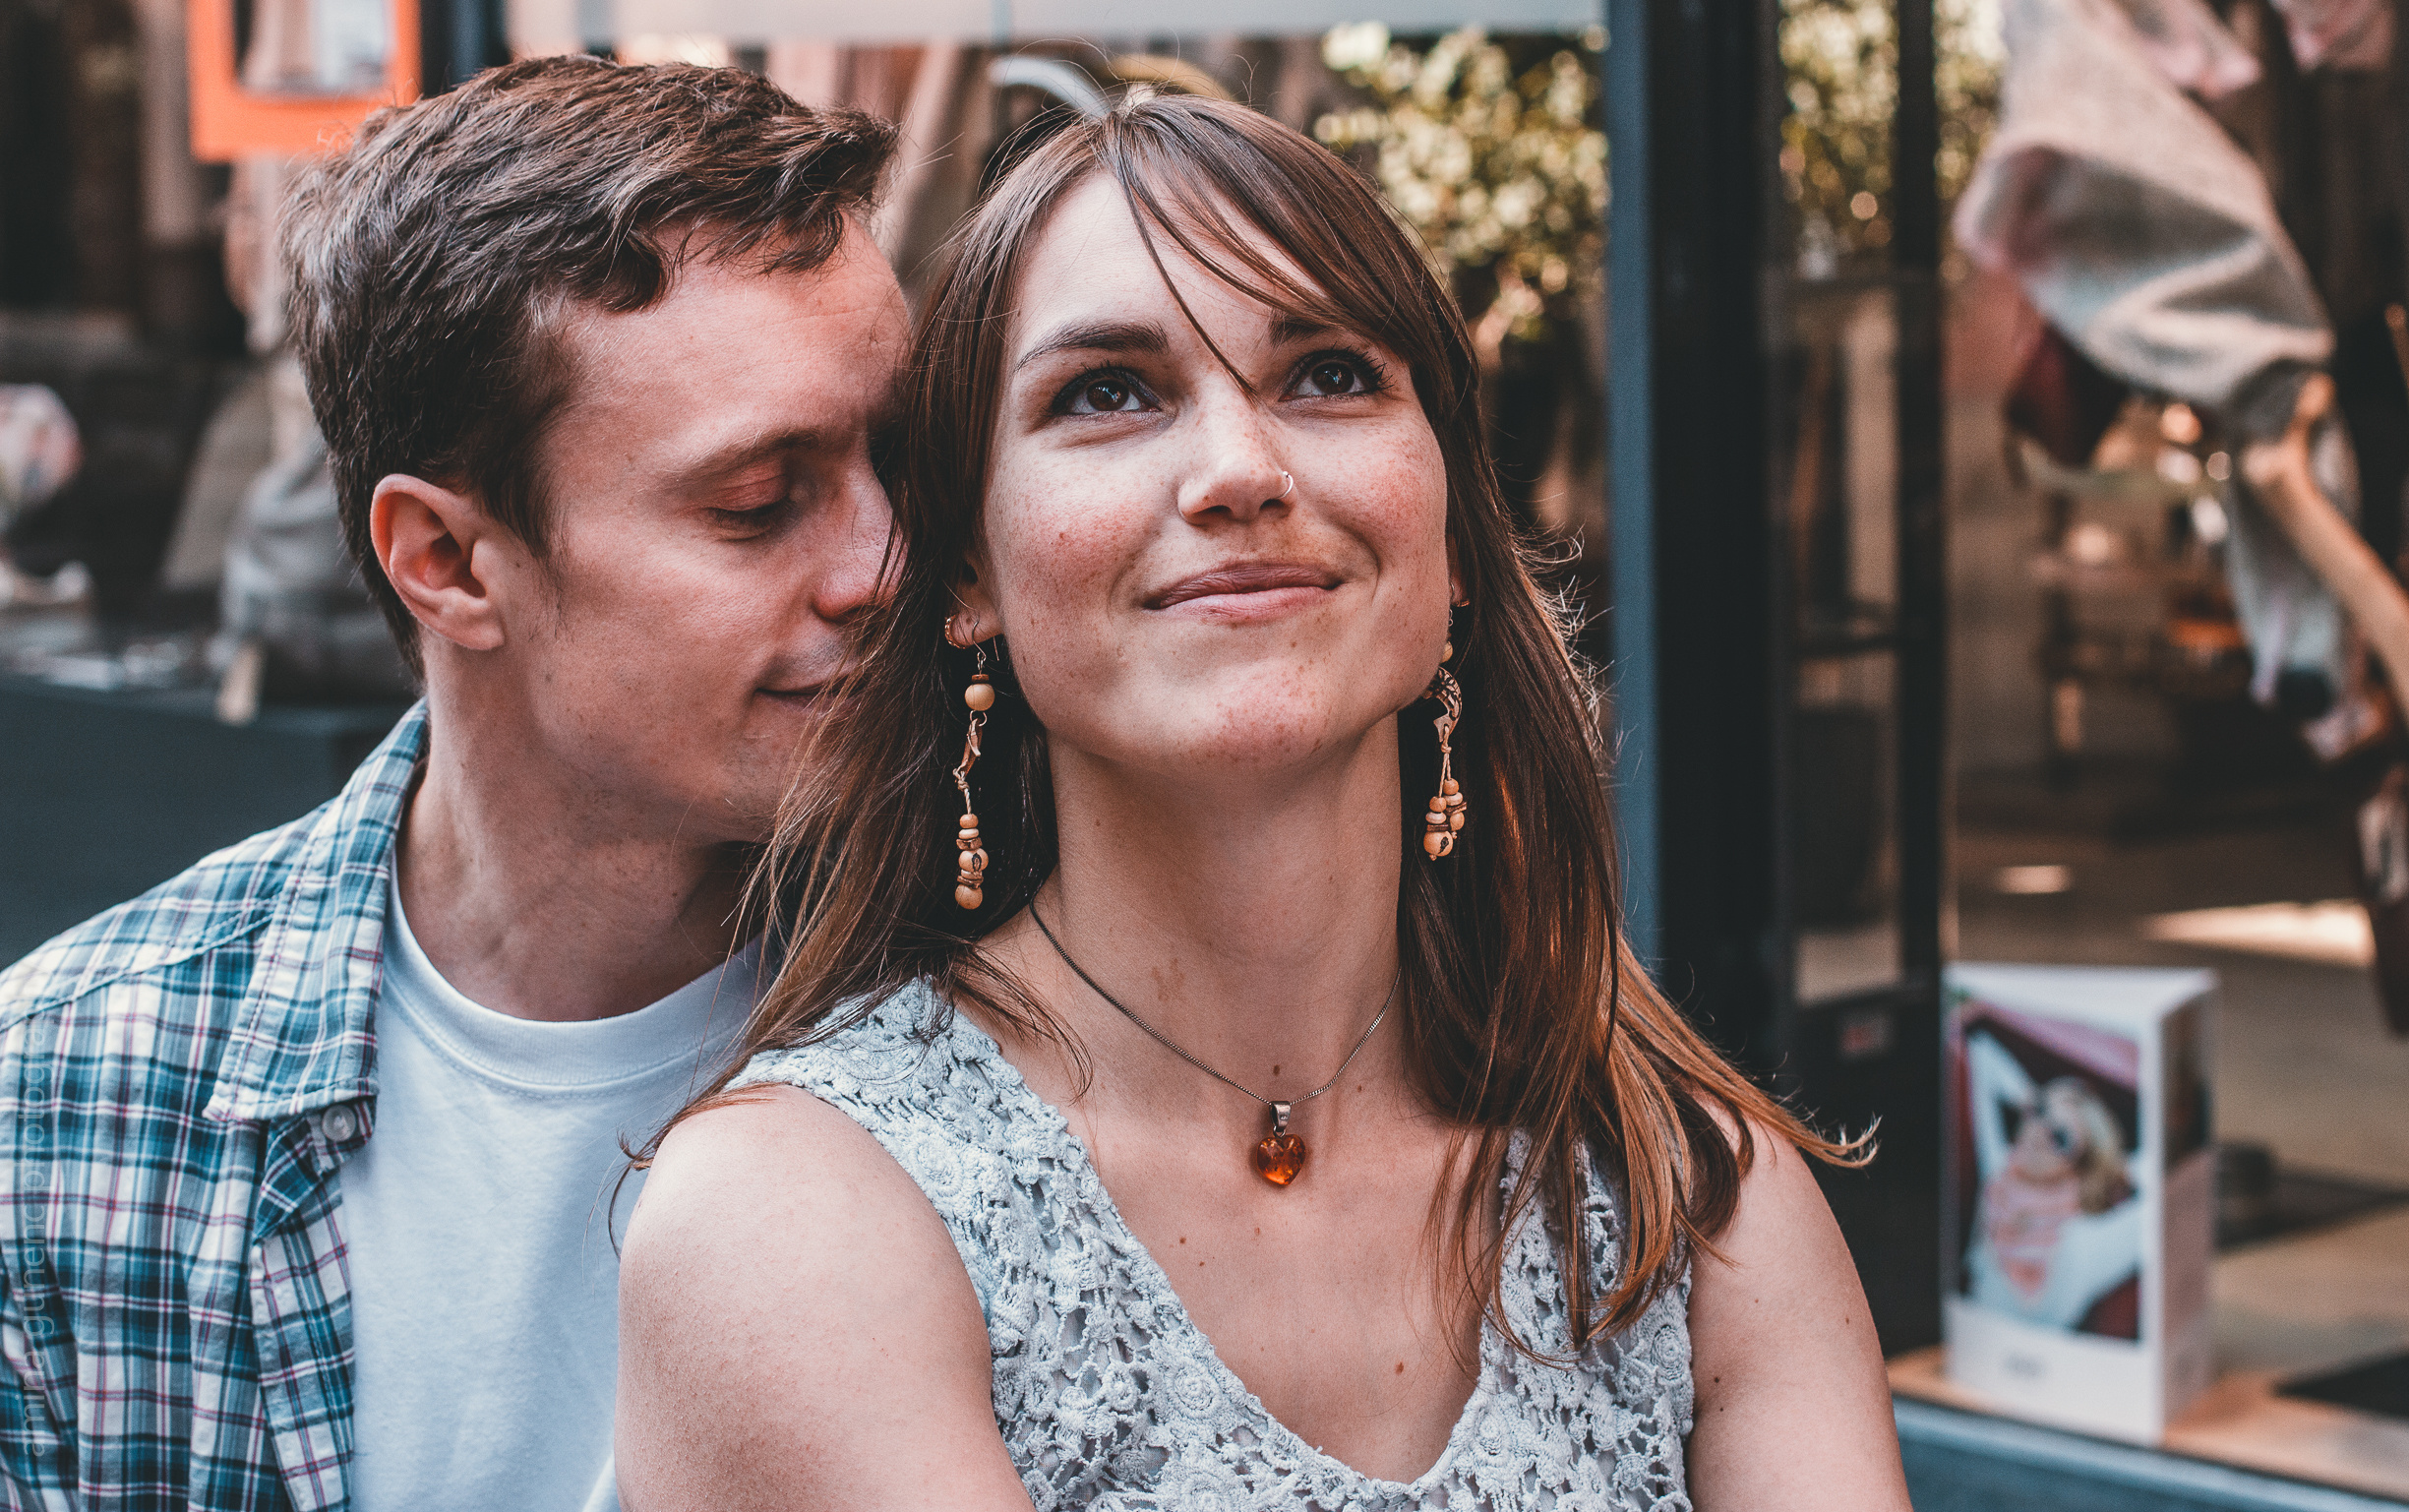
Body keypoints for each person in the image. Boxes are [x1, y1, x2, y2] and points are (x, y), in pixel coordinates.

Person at [617, 94, 1911, 1510]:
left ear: (1453, 533)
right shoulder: (796, 1215)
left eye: (1329, 375)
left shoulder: (1690, 1193)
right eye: (1107, 391)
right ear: (969, 575)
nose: (1241, 471)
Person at [0, 56, 903, 1509]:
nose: (883, 565)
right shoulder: (70, 1105)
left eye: (907, 463)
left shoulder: (1041, 1004)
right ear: (450, 561)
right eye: (757, 503)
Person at [1963, 1029, 2142, 1332]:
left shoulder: (2084, 1239)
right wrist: (2031, 1098)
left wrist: (2117, 1169)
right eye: (2039, 1111)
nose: (2037, 1131)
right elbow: (1980, 1052)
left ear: (2081, 1167)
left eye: (2059, 1137)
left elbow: (2167, 1196)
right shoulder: (1997, 1175)